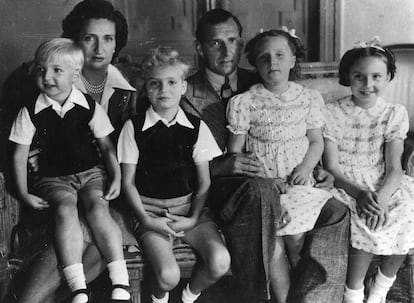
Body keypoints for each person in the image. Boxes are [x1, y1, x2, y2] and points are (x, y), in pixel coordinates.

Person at [180, 8, 350, 303]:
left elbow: (298, 132)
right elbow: (163, 164)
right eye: (215, 43)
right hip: (221, 190)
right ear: (199, 47)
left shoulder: (261, 78)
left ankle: (315, 298)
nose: (226, 51)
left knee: (336, 211)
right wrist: (219, 166)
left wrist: (318, 168)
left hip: (283, 182)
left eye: (232, 41)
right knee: (261, 194)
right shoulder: (178, 91)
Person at [7, 1, 137, 302]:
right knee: (77, 223)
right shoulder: (40, 80)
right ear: (73, 40)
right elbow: (15, 145)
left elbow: (122, 148)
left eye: (108, 38)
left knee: (97, 223)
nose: (99, 48)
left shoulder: (125, 90)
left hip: (100, 186)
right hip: (51, 186)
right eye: (89, 37)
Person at [226, 29, 333, 302]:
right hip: (263, 186)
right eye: (264, 57)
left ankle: (304, 291)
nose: (272, 62)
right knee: (271, 246)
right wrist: (264, 180)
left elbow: (316, 142)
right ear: (254, 64)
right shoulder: (244, 102)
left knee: (296, 237)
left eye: (279, 55)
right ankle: (283, 298)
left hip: (297, 181)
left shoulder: (308, 98)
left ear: (293, 61)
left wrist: (306, 168)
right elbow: (235, 153)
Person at [119, 46, 230, 303]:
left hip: (190, 210)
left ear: (183, 87)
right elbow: (128, 183)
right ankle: (160, 299)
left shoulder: (195, 126)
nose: (163, 90)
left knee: (220, 261)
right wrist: (146, 220)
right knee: (168, 276)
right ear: (146, 89)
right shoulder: (133, 128)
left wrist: (192, 219)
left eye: (171, 82)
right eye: (155, 84)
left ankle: (188, 298)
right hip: (150, 212)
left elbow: (204, 182)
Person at [323, 39, 414, 303]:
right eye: (359, 77)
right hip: (345, 181)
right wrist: (361, 194)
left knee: (407, 211)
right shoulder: (332, 112)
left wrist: (382, 198)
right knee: (361, 216)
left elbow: (395, 168)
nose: (367, 84)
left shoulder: (394, 113)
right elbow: (331, 166)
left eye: (376, 76)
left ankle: (381, 286)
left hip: (382, 180)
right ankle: (353, 290)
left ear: (388, 78)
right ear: (347, 77)